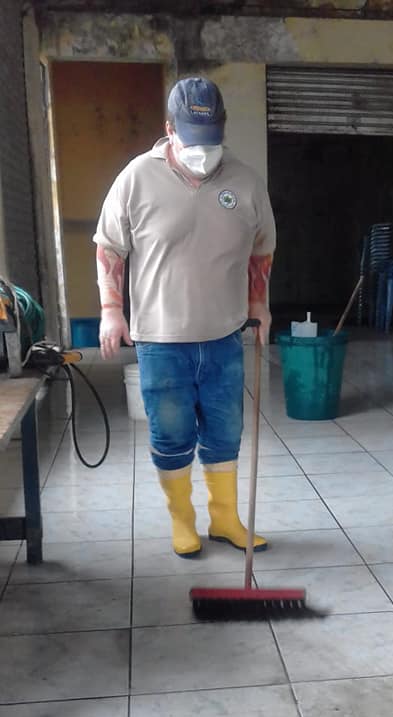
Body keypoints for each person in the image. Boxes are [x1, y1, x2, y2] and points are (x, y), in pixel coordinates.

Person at [94, 77, 276, 558]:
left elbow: (262, 247)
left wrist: (259, 304)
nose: (203, 150)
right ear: (169, 128)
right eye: (193, 138)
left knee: (225, 433)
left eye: (211, 137)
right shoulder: (136, 177)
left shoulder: (245, 181)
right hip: (160, 340)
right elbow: (109, 246)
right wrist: (111, 310)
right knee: (172, 435)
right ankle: (183, 522)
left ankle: (225, 520)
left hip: (224, 335)